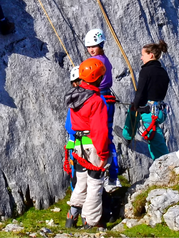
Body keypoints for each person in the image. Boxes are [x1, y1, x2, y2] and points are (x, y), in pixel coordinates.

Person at [65, 58, 111, 229]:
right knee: (95, 182)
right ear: (97, 78)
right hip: (92, 145)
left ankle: (72, 216)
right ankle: (91, 221)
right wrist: (104, 153)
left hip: (78, 144)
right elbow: (100, 130)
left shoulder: (74, 96)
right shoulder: (96, 101)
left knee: (82, 180)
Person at [84, 29, 120, 192]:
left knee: (102, 137)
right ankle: (112, 176)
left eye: (94, 46)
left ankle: (107, 175)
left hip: (100, 98)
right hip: (106, 98)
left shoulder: (97, 62)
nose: (91, 49)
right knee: (108, 136)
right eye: (89, 47)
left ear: (101, 45)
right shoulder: (103, 59)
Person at [120, 40, 170, 160]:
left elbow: (141, 91)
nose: (141, 58)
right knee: (134, 113)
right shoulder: (163, 72)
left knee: (154, 136)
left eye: (143, 55)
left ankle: (165, 162)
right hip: (159, 109)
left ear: (151, 55)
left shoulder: (146, 71)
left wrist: (136, 104)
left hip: (149, 112)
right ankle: (127, 135)